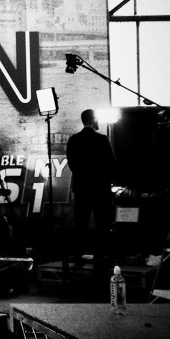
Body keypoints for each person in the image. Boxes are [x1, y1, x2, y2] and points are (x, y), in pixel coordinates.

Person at [66, 109, 119, 264]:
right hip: (100, 188)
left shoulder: (73, 140)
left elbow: (72, 165)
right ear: (93, 119)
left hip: (82, 188)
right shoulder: (102, 139)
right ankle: (100, 254)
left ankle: (77, 254)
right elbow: (112, 164)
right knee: (102, 222)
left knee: (80, 222)